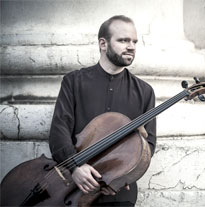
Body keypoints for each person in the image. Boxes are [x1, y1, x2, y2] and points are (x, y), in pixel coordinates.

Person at [49, 15, 156, 207]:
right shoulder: (74, 82)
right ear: (103, 44)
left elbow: (148, 145)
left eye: (134, 41)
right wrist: (75, 167)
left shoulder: (145, 92)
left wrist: (120, 178)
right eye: (123, 40)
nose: (131, 46)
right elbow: (59, 130)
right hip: (71, 188)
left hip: (117, 196)